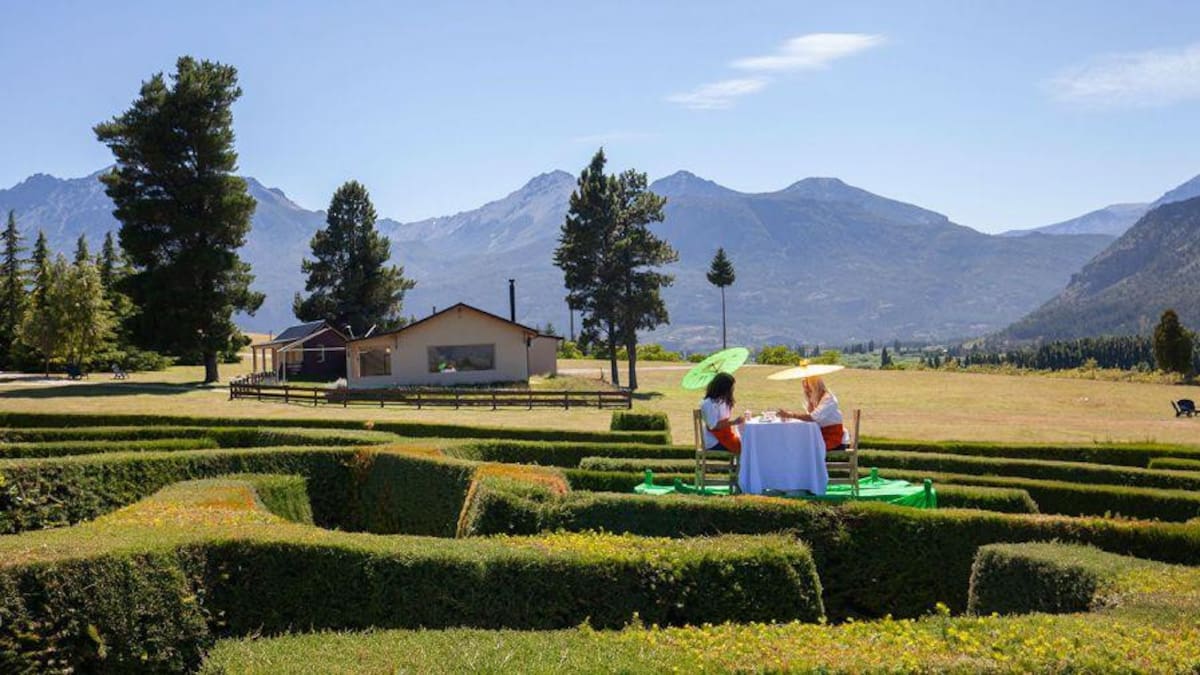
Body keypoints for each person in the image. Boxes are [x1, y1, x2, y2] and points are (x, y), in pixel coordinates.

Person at [777, 376, 846, 451]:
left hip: (833, 437)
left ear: (815, 386)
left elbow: (813, 418)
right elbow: (810, 418)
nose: (807, 390)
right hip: (820, 435)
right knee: (796, 443)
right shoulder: (816, 399)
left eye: (808, 387)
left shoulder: (828, 399)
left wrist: (790, 415)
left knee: (803, 448)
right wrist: (810, 401)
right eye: (805, 388)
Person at [701, 372, 749, 453]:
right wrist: (734, 422)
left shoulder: (723, 401)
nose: (732, 390)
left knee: (748, 443)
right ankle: (743, 465)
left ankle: (743, 465)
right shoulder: (708, 403)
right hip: (714, 441)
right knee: (747, 447)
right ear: (723, 388)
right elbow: (713, 426)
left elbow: (724, 420)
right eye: (731, 387)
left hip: (726, 436)